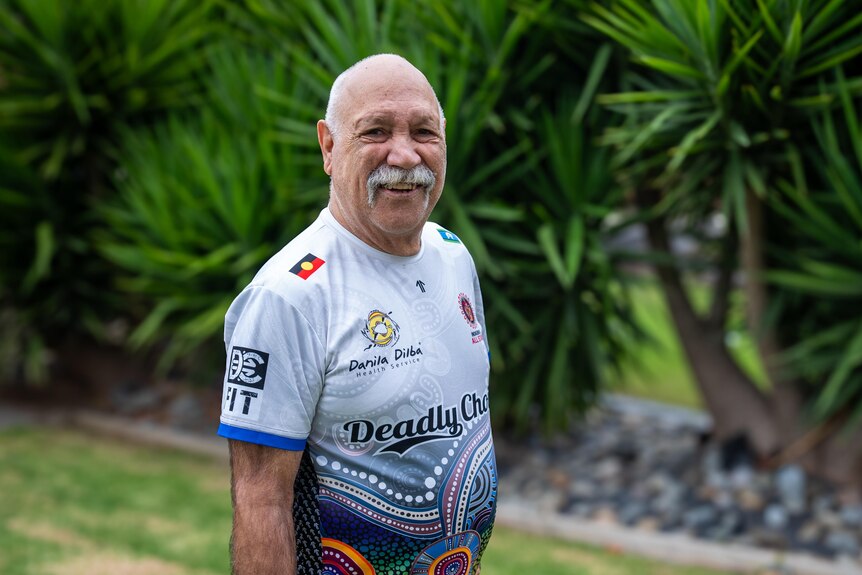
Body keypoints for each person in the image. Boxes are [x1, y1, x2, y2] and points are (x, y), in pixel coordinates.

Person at [217, 53, 497, 575]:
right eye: (375, 131)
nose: (406, 155)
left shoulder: (453, 254)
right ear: (328, 146)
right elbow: (260, 499)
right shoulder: (289, 297)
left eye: (424, 132)